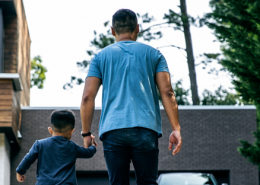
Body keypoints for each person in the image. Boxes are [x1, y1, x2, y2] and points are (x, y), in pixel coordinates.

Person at [80, 9, 182, 185]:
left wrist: (86, 133)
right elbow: (167, 92)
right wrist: (176, 128)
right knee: (148, 182)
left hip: (113, 130)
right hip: (145, 130)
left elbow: (87, 97)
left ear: (113, 31)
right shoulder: (154, 54)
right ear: (137, 28)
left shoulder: (100, 57)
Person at [16, 109, 97, 185]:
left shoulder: (40, 144)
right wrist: (92, 145)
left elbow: (28, 159)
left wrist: (20, 172)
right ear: (71, 131)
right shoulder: (72, 147)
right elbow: (88, 153)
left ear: (50, 130)